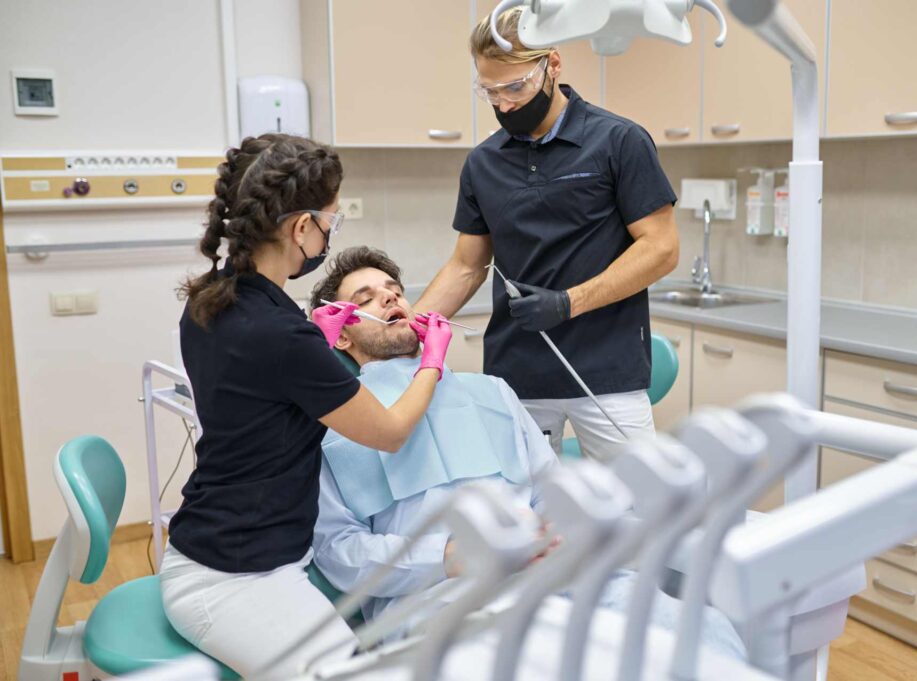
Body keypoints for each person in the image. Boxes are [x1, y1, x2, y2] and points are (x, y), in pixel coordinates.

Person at [308, 247, 746, 660]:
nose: (389, 297)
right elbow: (339, 552)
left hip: (552, 573)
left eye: (395, 291)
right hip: (442, 600)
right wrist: (448, 556)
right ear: (342, 334)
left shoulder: (491, 393)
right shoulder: (331, 427)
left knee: (698, 628)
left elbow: (549, 490)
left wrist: (556, 532)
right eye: (367, 298)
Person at [160, 134, 452, 679]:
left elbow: (258, 395)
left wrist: (312, 343)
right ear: (301, 227)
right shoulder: (282, 335)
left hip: (223, 541)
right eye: (330, 224)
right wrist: (432, 361)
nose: (328, 236)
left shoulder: (214, 298)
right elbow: (388, 431)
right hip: (233, 578)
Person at [416, 8, 681, 463]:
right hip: (518, 370)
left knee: (634, 505)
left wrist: (567, 303)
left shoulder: (619, 141)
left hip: (607, 369)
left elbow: (661, 249)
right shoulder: (483, 163)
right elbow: (467, 265)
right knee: (529, 514)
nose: (504, 105)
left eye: (514, 87)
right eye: (490, 92)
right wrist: (412, 324)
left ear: (552, 65)